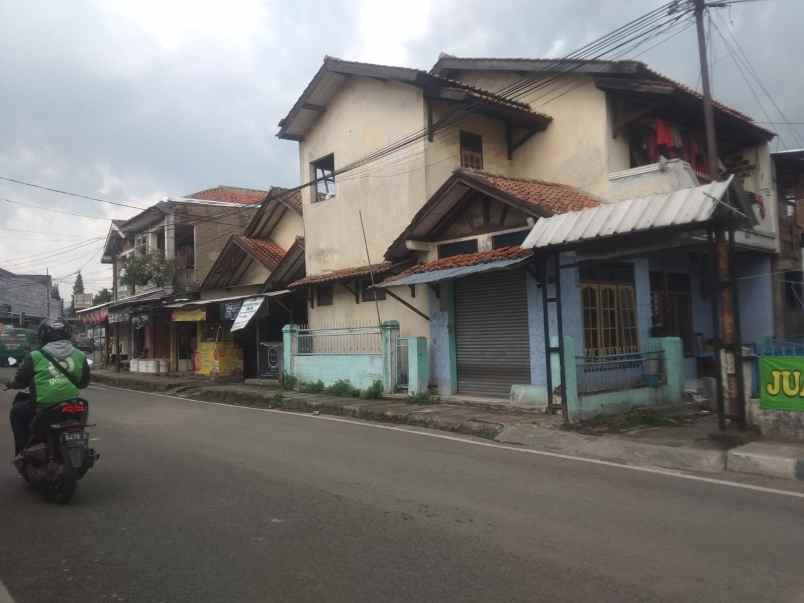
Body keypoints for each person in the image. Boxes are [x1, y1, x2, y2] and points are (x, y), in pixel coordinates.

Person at [5, 320, 91, 456]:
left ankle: (22, 453)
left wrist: (11, 384)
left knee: (16, 412)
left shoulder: (35, 356)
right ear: (68, 334)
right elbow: (83, 383)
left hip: (43, 406)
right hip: (72, 404)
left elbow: (20, 381)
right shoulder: (80, 355)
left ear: (43, 336)